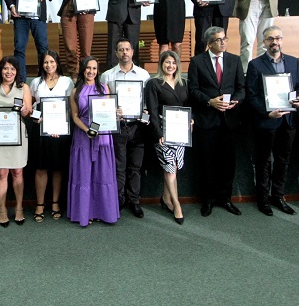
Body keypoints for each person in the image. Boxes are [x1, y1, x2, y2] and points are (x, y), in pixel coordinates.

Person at [245, 27, 299, 216]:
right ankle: (263, 200)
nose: (274, 42)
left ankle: (278, 196)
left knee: (283, 161)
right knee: (263, 162)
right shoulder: (255, 65)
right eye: (270, 39)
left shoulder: (294, 62)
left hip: (288, 121)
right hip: (267, 121)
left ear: (282, 40)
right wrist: (266, 113)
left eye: (278, 38)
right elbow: (251, 96)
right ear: (264, 42)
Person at [187, 26, 245, 217]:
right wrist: (209, 101)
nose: (223, 42)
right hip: (207, 119)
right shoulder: (197, 62)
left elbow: (241, 88)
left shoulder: (235, 60)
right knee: (207, 162)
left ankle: (225, 198)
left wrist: (236, 100)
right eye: (219, 40)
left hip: (229, 120)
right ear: (209, 43)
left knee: (228, 162)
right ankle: (208, 199)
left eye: (224, 39)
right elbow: (193, 89)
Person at [66, 56, 120, 227]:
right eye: (88, 68)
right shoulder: (75, 91)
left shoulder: (104, 87)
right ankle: (85, 213)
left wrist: (116, 113)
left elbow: (109, 111)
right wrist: (86, 130)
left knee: (102, 174)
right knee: (84, 174)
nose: (91, 71)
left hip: (103, 136)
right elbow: (74, 116)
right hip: (83, 136)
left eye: (94, 68)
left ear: (98, 71)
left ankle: (103, 212)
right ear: (83, 69)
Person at [100, 39, 151, 217]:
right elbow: (102, 103)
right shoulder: (107, 76)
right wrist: (111, 111)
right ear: (116, 53)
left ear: (132, 52)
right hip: (118, 126)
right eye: (121, 50)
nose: (124, 53)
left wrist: (144, 114)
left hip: (137, 126)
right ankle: (119, 200)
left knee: (135, 167)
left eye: (127, 49)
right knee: (119, 167)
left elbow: (147, 103)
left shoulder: (144, 75)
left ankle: (134, 201)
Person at [0, 56, 32, 227]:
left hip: (17, 134)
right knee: (1, 173)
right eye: (5, 68)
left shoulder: (23, 87)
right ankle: (2, 209)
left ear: (17, 71)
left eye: (12, 69)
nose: (8, 72)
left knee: (17, 172)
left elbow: (28, 112)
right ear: (0, 70)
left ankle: (19, 208)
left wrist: (25, 110)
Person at [28, 50, 74, 222]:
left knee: (57, 168)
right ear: (42, 64)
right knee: (41, 168)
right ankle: (40, 204)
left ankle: (55, 203)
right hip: (41, 131)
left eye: (52, 62)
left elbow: (70, 108)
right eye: (46, 62)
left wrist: (61, 125)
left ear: (57, 63)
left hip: (60, 131)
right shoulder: (35, 83)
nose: (49, 65)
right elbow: (31, 107)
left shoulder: (67, 82)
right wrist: (36, 117)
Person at [144, 50, 189, 224]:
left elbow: (188, 105)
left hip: (180, 133)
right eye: (167, 62)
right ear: (161, 64)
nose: (170, 66)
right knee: (170, 167)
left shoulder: (183, 83)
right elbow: (153, 110)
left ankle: (166, 198)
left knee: (173, 167)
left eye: (173, 62)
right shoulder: (153, 83)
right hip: (163, 132)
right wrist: (158, 133)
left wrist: (191, 119)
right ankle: (177, 205)